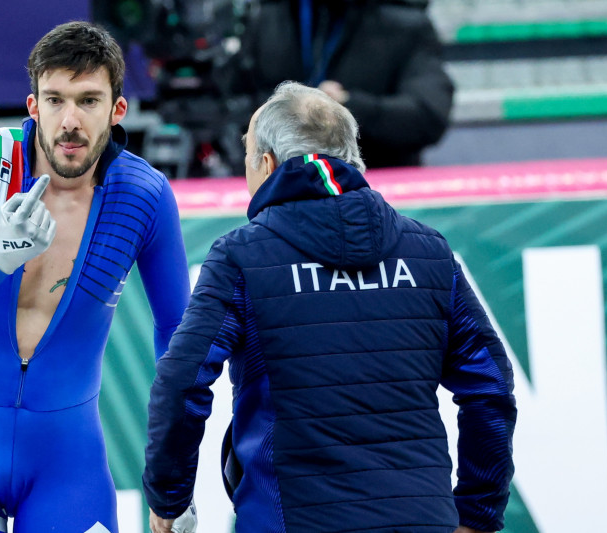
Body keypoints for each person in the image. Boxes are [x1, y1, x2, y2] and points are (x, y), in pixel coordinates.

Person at [142, 82, 516, 533]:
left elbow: (182, 380)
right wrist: (477, 512)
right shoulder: (429, 251)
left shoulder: (241, 256)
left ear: (267, 165)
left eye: (247, 157)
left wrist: (169, 499)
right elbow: (491, 386)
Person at [0, 21, 193, 533]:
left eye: (88, 101)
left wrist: (176, 473)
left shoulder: (144, 196)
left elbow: (178, 337)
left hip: (66, 460)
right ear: (33, 106)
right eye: (55, 100)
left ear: (117, 109)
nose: (70, 121)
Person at [223, 0, 454, 168]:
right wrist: (286, 111)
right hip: (277, 184)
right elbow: (229, 103)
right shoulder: (267, 17)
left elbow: (428, 115)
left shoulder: (403, 24)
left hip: (374, 184)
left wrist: (344, 108)